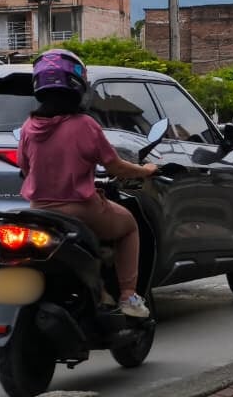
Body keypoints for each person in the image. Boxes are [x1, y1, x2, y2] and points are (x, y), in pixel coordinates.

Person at [17, 49, 158, 319]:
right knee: (129, 226)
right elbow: (114, 166)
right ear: (78, 86)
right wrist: (145, 170)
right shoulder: (85, 125)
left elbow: (25, 168)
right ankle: (128, 296)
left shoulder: (29, 127)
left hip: (37, 212)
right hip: (80, 209)